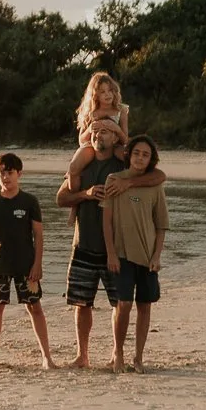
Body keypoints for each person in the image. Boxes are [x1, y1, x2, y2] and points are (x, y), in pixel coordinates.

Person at [58, 128, 166, 367]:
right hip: (84, 243)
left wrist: (129, 183)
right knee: (81, 303)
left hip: (117, 250)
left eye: (106, 131)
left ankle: (119, 353)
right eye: (95, 131)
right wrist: (84, 194)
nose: (99, 135)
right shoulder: (79, 166)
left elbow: (158, 176)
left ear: (116, 139)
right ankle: (82, 355)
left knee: (120, 303)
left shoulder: (121, 165)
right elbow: (61, 199)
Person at [0, 152, 57, 369]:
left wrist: (37, 264)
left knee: (35, 307)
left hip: (25, 263)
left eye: (9, 172)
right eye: (1, 172)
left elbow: (38, 235)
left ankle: (46, 357)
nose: (5, 177)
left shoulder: (29, 201)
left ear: (19, 173)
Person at [101, 136, 168, 372]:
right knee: (124, 303)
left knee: (145, 305)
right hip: (121, 254)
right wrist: (110, 253)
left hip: (148, 255)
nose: (140, 157)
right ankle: (118, 353)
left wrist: (157, 256)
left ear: (151, 159)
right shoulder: (114, 180)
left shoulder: (155, 185)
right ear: (129, 154)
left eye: (146, 154)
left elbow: (161, 225)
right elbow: (107, 222)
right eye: (137, 152)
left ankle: (138, 357)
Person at [66, 72, 130, 198]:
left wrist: (116, 129)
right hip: (92, 145)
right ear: (95, 95)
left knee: (128, 158)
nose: (108, 94)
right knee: (74, 166)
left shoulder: (121, 110)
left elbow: (125, 140)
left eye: (110, 90)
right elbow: (81, 141)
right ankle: (74, 193)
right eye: (102, 92)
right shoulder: (91, 112)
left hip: (115, 144)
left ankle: (131, 184)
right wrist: (90, 129)